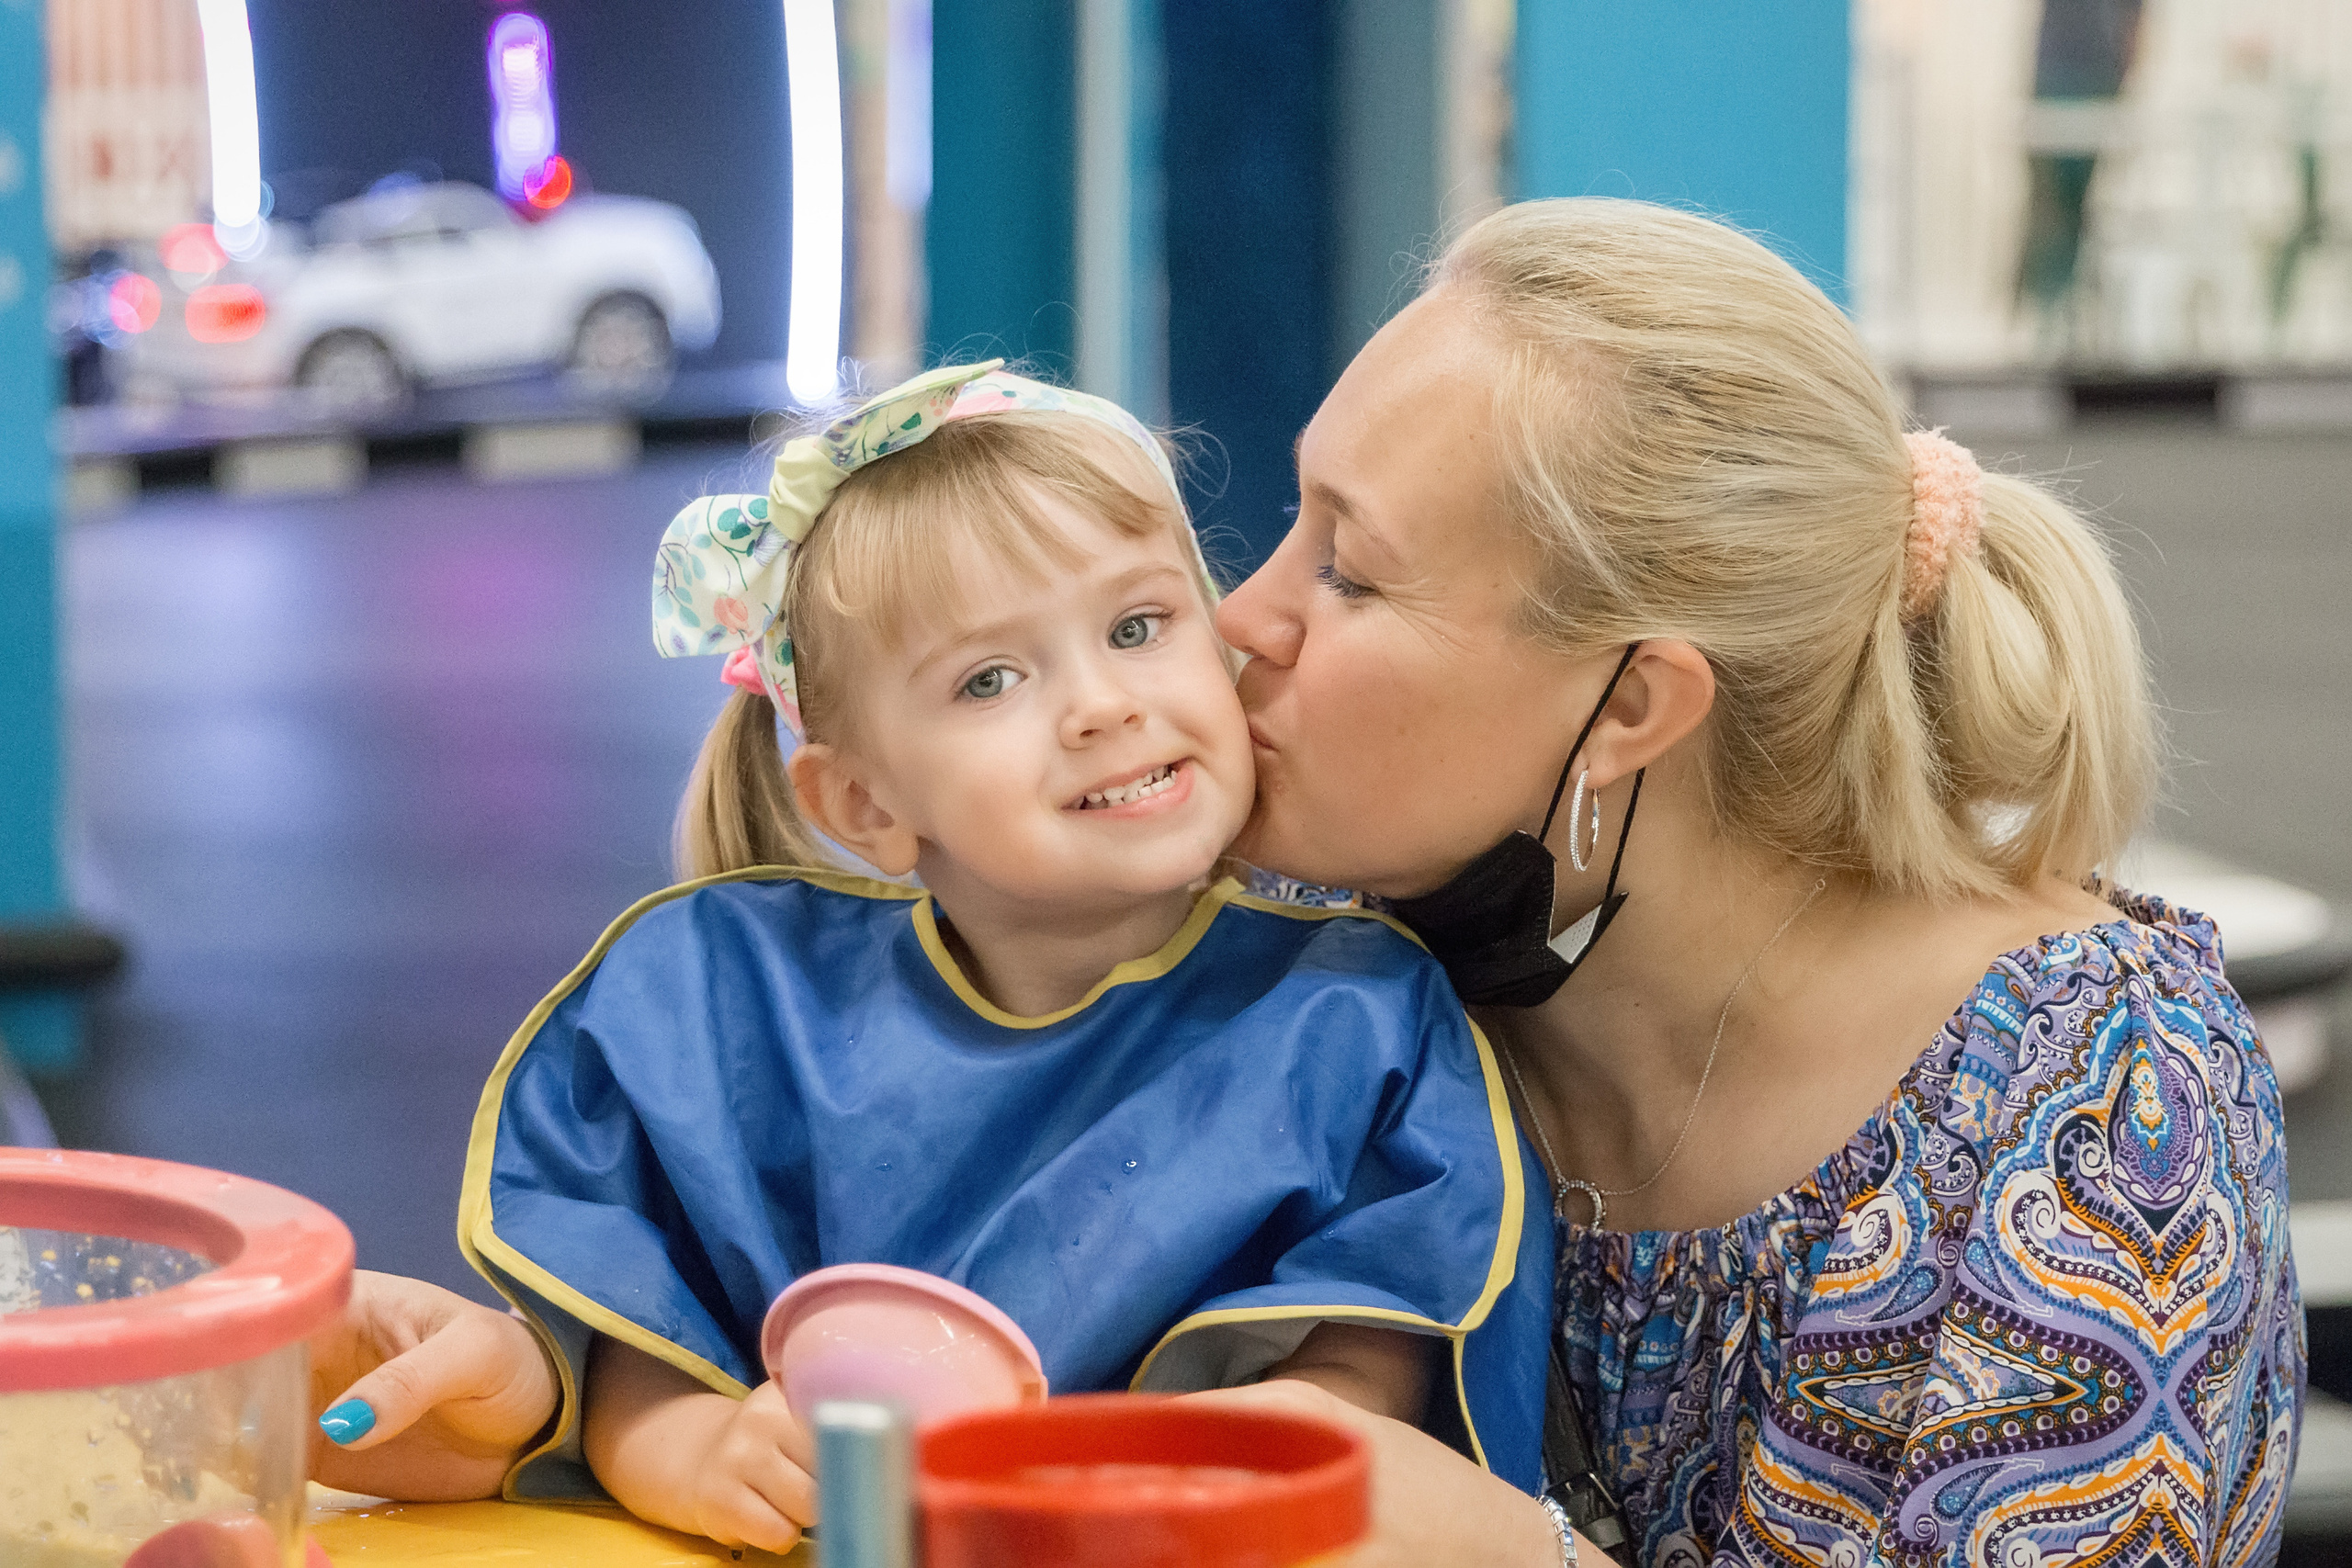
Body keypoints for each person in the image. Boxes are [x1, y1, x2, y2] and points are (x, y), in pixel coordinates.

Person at [312, 200, 2301, 1567]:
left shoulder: (2096, 1124)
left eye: (1345, 570)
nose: (1235, 626)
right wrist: (548, 1387)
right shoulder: (1334, 967)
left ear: (1628, 707)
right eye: (1275, 526)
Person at [428, 361, 1547, 1552]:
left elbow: (1370, 1374)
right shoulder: (720, 1009)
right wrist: (692, 1448)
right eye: (991, 680)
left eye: (1136, 627)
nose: (1102, 705)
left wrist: (1235, 1464)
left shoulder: (1357, 1016)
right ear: (864, 804)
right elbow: (627, 1341)